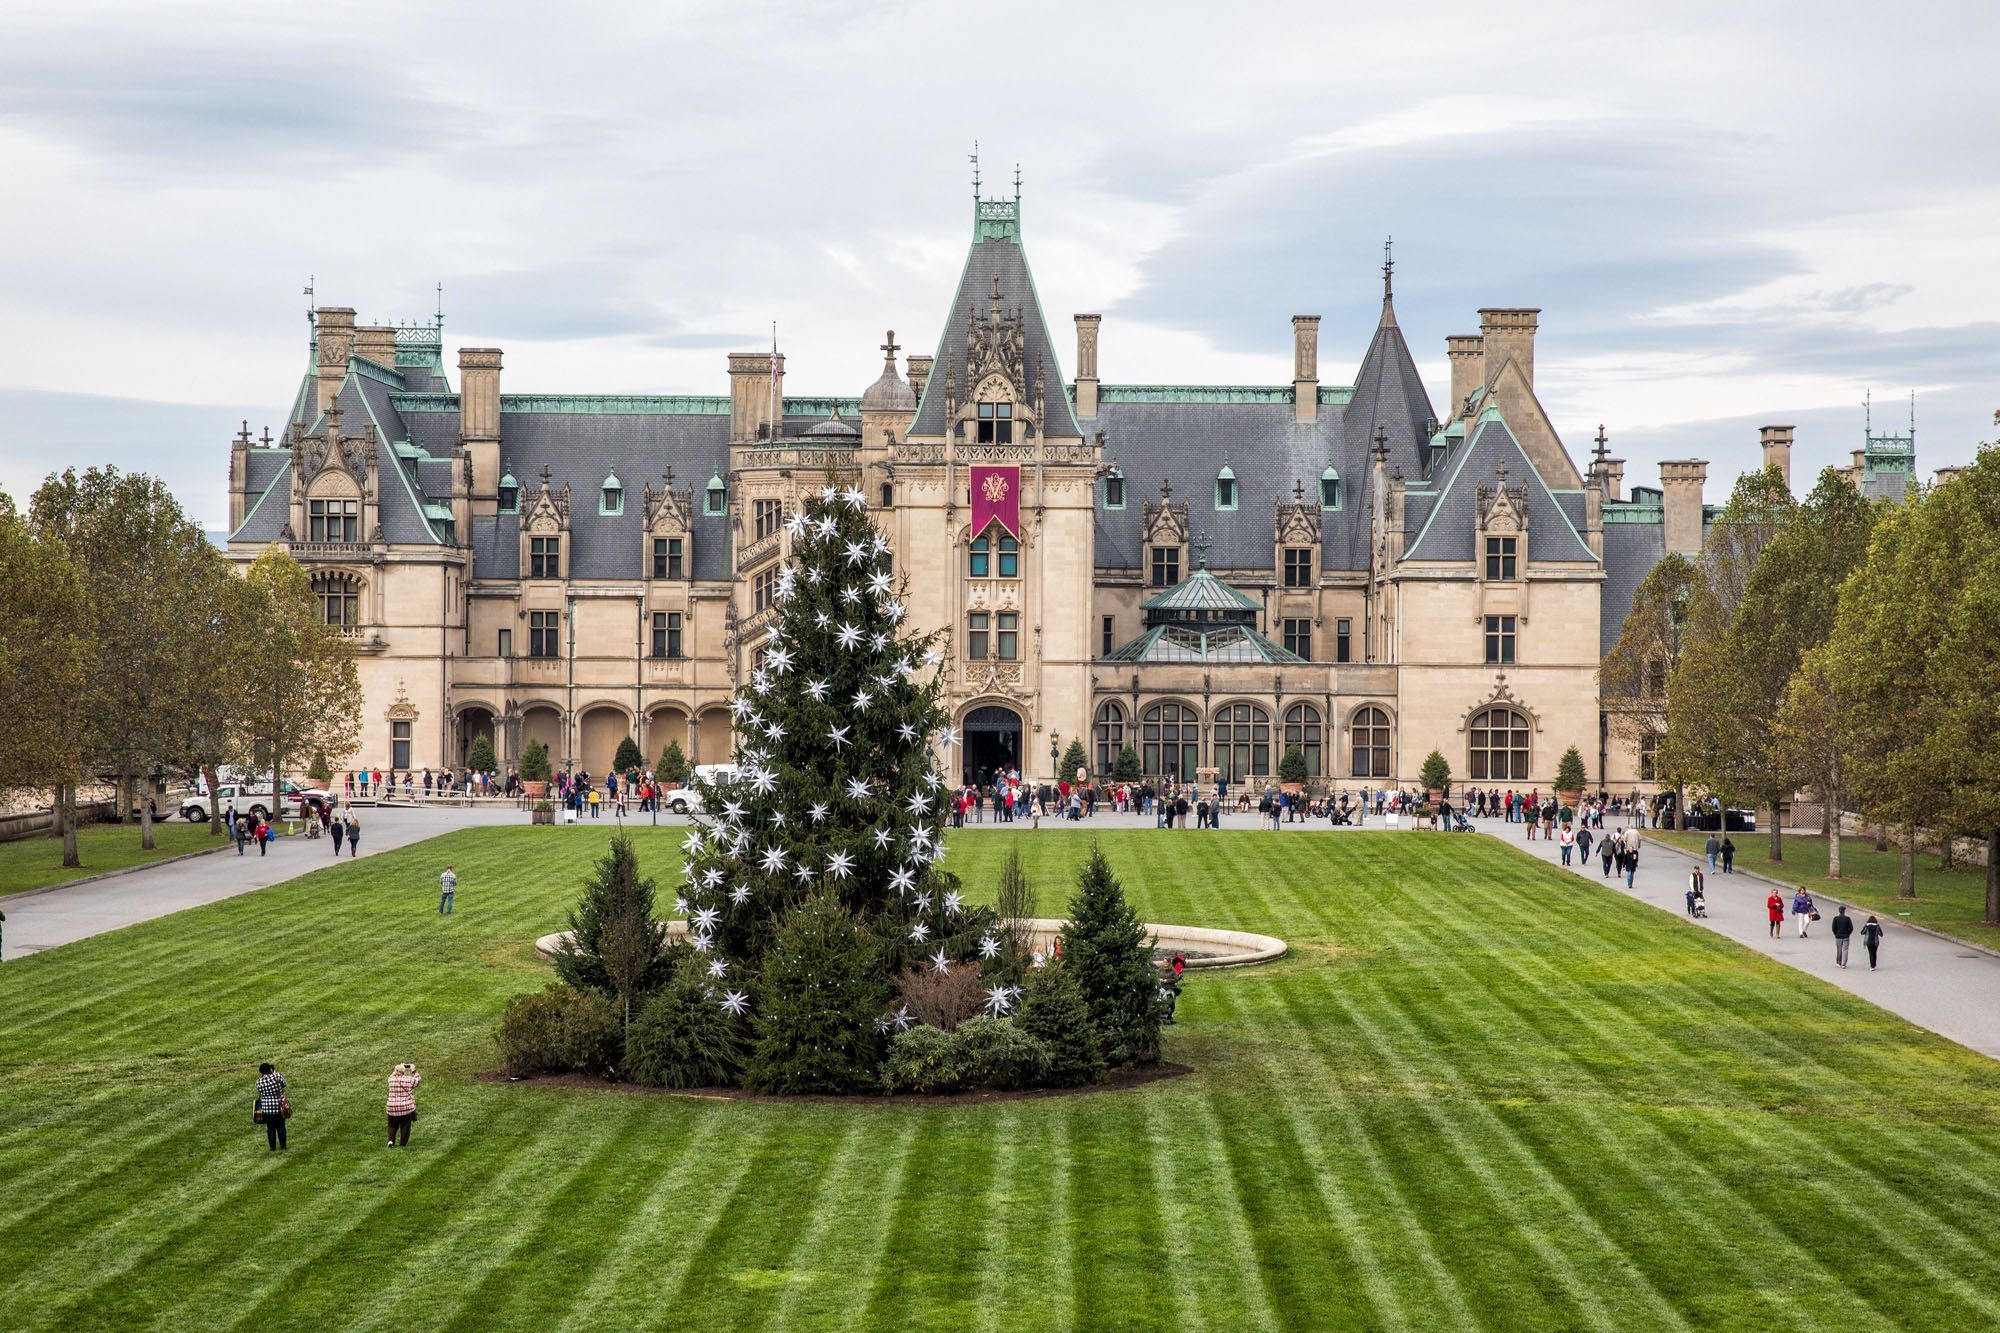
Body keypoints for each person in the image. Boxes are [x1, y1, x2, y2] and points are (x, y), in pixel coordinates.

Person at [386, 1062, 421, 1147]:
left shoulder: (391, 1079)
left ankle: (391, 1141)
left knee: (392, 1125)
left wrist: (397, 1068)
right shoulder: (408, 1079)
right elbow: (418, 1080)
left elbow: (393, 1074)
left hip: (391, 1107)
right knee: (405, 1125)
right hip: (405, 1107)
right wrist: (414, 1071)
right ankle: (402, 1144)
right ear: (403, 1071)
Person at [255, 1062, 288, 1151]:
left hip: (266, 1108)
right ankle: (283, 1146)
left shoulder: (259, 1082)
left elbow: (260, 1091)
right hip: (279, 1106)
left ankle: (272, 1147)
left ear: (261, 1072)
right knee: (281, 1126)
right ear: (270, 1069)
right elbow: (284, 1085)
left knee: (270, 1128)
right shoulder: (277, 1076)